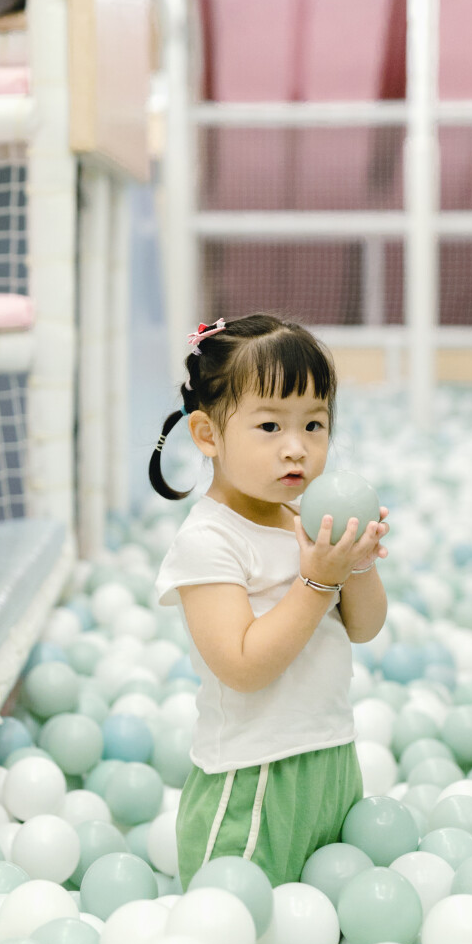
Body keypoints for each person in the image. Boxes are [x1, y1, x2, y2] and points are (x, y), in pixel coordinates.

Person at [151, 313, 390, 889]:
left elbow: (365, 628)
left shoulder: (301, 521)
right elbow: (242, 668)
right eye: (269, 427)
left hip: (331, 758)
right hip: (253, 775)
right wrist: (316, 583)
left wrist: (354, 566)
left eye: (314, 425)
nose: (297, 449)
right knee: (239, 930)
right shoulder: (209, 541)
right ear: (208, 435)